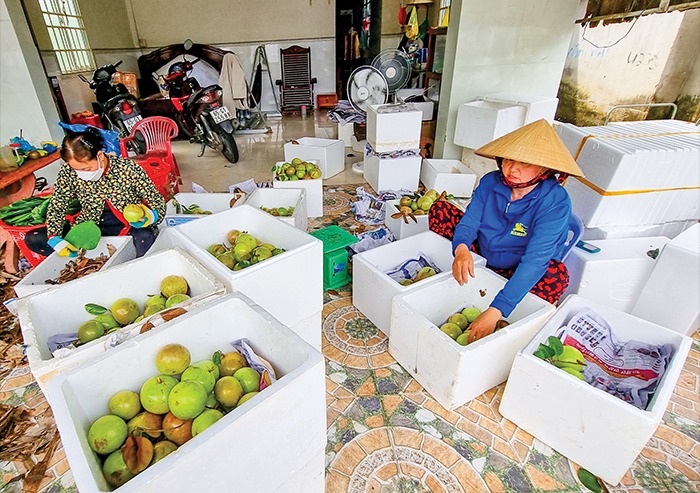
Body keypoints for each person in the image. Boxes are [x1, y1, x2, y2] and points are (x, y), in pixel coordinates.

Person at [429, 119, 584, 343]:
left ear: (544, 169)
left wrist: (496, 310)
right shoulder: (491, 182)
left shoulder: (555, 202)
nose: (513, 169)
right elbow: (470, 221)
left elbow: (535, 261)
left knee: (556, 276)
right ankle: (462, 271)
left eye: (525, 163)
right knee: (441, 210)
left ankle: (509, 309)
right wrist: (462, 248)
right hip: (480, 254)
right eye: (509, 160)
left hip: (516, 267)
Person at [26, 127, 166, 258]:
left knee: (146, 239)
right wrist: (54, 236)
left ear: (100, 155)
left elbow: (155, 198)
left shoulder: (127, 168)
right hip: (89, 226)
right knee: (35, 238)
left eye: (86, 169)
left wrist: (151, 216)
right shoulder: (68, 172)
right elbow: (58, 203)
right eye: (76, 169)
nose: (81, 174)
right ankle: (83, 263)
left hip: (129, 224)